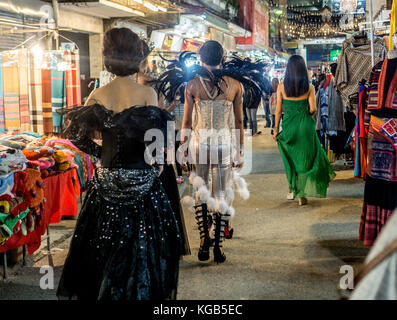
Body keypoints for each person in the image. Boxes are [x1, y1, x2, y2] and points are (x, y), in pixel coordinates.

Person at [57, 28, 182, 300]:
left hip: (107, 185)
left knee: (102, 251)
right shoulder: (147, 95)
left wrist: (101, 154)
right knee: (143, 251)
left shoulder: (98, 95)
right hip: (143, 184)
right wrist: (158, 165)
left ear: (107, 57)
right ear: (137, 57)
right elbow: (156, 144)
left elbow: (75, 136)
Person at [181, 41, 245, 263]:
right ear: (223, 58)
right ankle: (218, 246)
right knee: (222, 193)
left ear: (201, 59)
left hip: (199, 145)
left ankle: (202, 242)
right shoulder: (235, 85)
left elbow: (187, 121)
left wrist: (182, 149)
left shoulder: (192, 85)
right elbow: (238, 121)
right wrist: (240, 150)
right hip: (224, 145)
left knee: (201, 191)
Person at [273, 55, 335, 205]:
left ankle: (293, 189)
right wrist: (305, 112)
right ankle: (302, 193)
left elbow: (278, 110)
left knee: (292, 160)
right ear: (302, 70)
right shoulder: (310, 87)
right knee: (307, 160)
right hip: (305, 126)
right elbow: (313, 109)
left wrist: (275, 129)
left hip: (289, 126)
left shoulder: (281, 87)